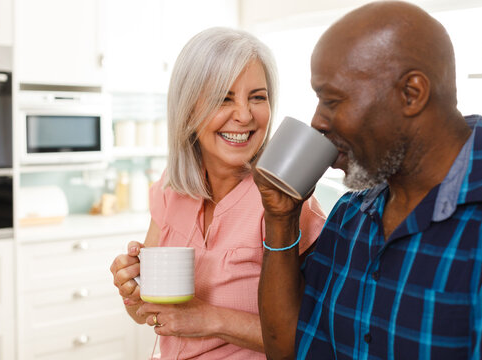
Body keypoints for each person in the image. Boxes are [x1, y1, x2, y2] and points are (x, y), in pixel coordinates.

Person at [253, 1, 482, 359]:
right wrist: (281, 219)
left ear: (411, 93)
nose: (317, 121)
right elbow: (289, 348)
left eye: (331, 100)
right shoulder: (352, 214)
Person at [109, 27, 326, 359]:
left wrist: (210, 319)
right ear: (188, 108)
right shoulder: (170, 189)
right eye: (223, 98)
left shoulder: (288, 202)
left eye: (258, 97)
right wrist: (132, 291)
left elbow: (317, 337)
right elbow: (147, 315)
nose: (243, 115)